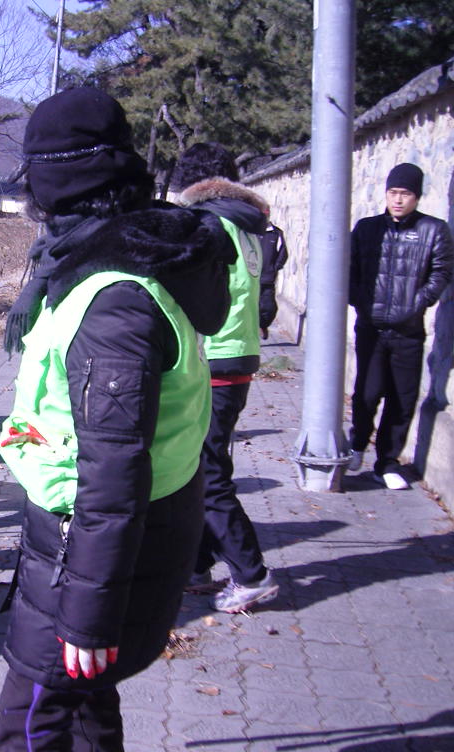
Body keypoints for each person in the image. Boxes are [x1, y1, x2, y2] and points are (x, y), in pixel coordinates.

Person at [0, 88, 231, 752]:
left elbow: (115, 472)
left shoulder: (112, 299)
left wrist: (88, 615)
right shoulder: (112, 255)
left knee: (31, 723)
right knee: (88, 704)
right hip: (93, 544)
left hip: (89, 551)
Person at [170, 143, 281, 614]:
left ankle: (251, 573)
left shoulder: (210, 223)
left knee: (208, 470)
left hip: (212, 356)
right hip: (237, 353)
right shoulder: (248, 223)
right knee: (198, 464)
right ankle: (197, 564)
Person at [348, 163, 454, 489]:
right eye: (393, 192)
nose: (397, 200)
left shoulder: (434, 230)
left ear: (416, 197)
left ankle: (388, 462)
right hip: (371, 327)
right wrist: (361, 301)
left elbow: (441, 271)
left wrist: (419, 301)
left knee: (402, 398)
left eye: (405, 194)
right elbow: (349, 269)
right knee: (367, 393)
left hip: (409, 331)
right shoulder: (367, 229)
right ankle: (356, 446)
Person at [258, 210, 290, 339]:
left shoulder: (276, 233)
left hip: (267, 278)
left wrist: (274, 268)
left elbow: (283, 253)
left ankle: (263, 324)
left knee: (269, 307)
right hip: (250, 277)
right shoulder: (250, 232)